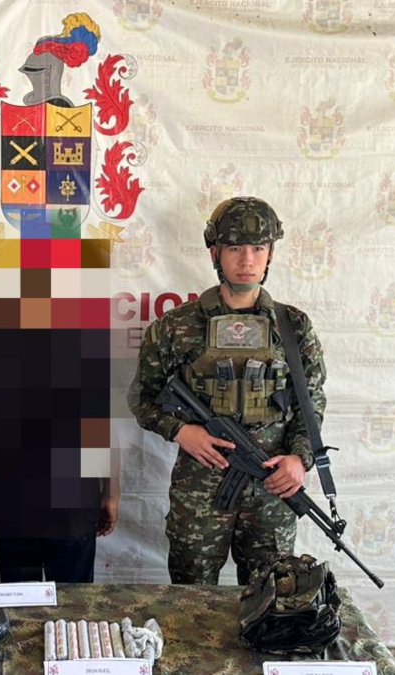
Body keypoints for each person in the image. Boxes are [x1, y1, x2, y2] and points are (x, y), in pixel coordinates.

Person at [127, 196, 326, 585]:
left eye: (258, 248)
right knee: (192, 600)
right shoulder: (175, 327)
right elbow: (142, 398)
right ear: (215, 252)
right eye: (235, 248)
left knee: (271, 601)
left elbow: (311, 403)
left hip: (271, 488)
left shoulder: (294, 326)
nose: (247, 259)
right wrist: (181, 431)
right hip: (200, 489)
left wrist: (299, 460)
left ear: (270, 255)